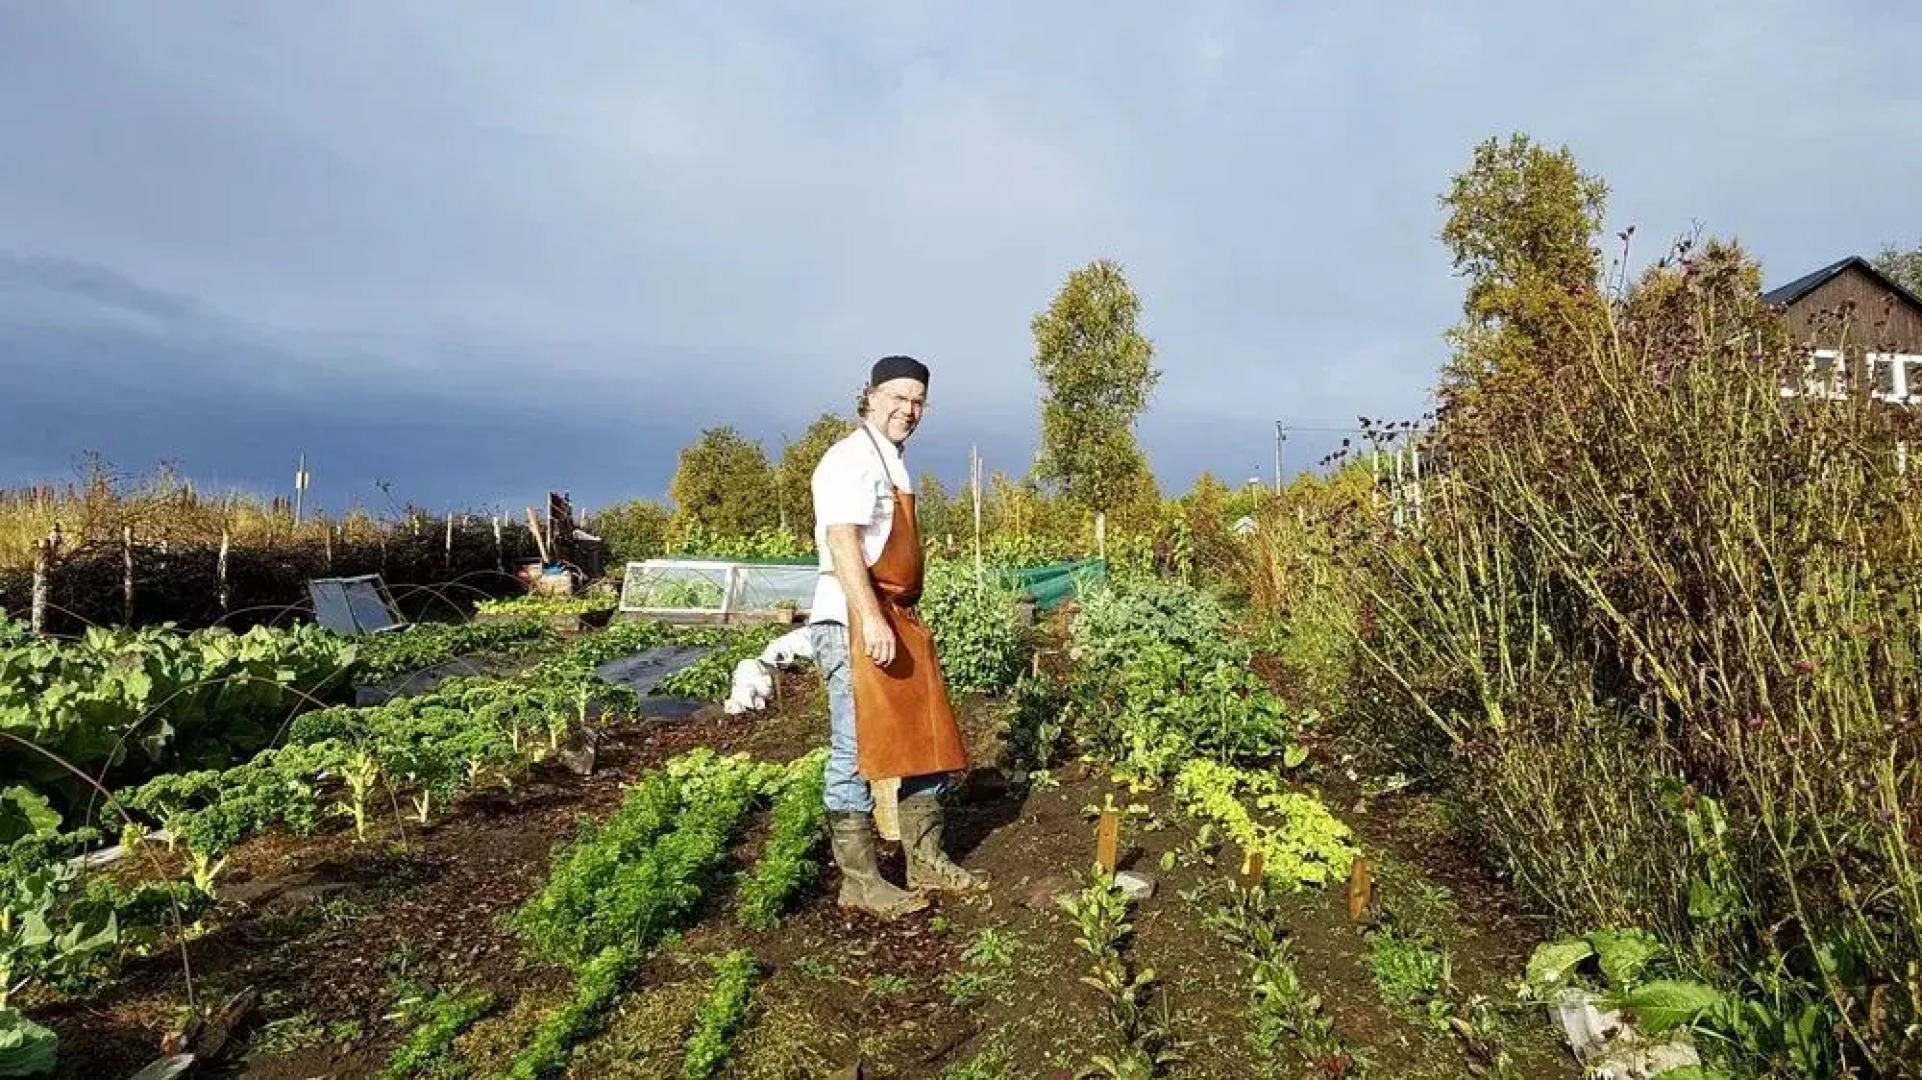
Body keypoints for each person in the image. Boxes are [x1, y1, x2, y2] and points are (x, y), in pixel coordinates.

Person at [807, 354, 988, 918]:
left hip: (894, 615)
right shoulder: (850, 458)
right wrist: (872, 618)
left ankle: (925, 861)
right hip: (855, 618)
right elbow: (842, 542)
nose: (908, 410)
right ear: (870, 396)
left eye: (918, 402)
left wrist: (894, 616)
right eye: (898, 398)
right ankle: (861, 881)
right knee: (854, 748)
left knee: (926, 738)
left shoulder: (892, 464)